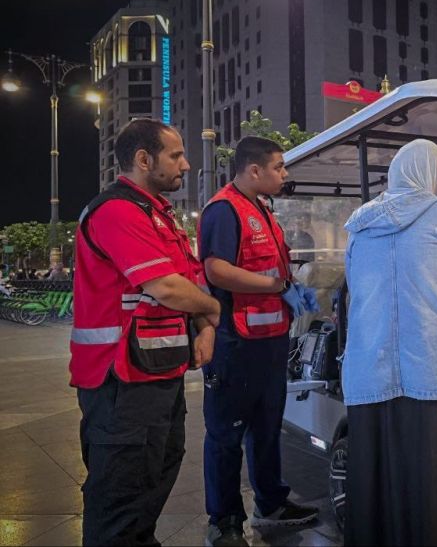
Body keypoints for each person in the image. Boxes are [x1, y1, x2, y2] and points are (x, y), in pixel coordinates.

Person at [70, 118, 221, 545]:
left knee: (150, 483)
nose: (186, 165)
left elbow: (190, 280)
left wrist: (204, 328)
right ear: (143, 159)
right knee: (120, 501)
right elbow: (167, 287)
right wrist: (214, 311)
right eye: (176, 155)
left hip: (156, 373)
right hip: (121, 383)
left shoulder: (160, 216)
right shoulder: (116, 211)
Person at [342, 139, 437, 546]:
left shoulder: (359, 224)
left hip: (370, 375)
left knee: (381, 489)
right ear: (433, 174)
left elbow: (355, 293)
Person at [198, 136, 320, 546]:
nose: (284, 174)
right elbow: (216, 270)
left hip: (270, 340)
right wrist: (278, 286)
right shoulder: (224, 209)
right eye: (278, 167)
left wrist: (291, 290)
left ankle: (271, 504)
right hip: (236, 343)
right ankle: (224, 521)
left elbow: (272, 267)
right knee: (226, 435)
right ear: (254, 170)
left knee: (267, 429)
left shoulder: (263, 209)